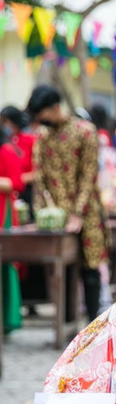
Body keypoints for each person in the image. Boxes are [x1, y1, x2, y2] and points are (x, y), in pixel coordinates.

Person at [28, 85, 110, 323]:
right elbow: (39, 175)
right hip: (54, 214)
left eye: (43, 114)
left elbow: (88, 175)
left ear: (56, 107)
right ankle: (64, 327)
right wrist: (42, 210)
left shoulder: (85, 131)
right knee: (59, 271)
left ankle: (92, 326)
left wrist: (78, 212)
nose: (41, 120)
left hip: (87, 212)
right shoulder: (42, 136)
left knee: (90, 268)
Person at [0, 125, 25, 334]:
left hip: (3, 213)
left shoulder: (6, 151)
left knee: (6, 265)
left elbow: (16, 183)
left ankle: (8, 319)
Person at [1, 106, 36, 212]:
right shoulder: (5, 143)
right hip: (9, 193)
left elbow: (39, 169)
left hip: (28, 191)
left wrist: (17, 179)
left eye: (5, 122)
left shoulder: (30, 140)